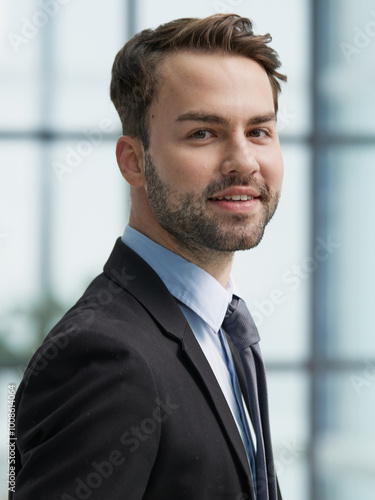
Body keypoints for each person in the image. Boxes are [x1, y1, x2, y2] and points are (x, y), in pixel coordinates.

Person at [11, 13, 287, 500]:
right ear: (133, 161)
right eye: (203, 132)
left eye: (260, 131)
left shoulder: (228, 333)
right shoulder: (103, 357)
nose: (244, 160)